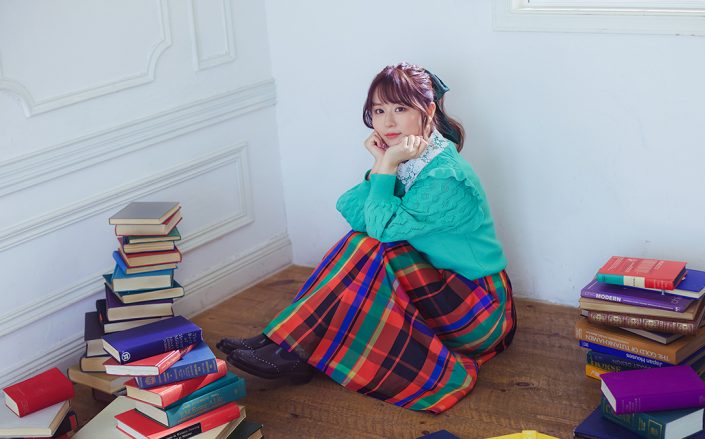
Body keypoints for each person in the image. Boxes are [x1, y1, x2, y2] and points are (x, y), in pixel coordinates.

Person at [217, 62, 516, 414]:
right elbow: (355, 212)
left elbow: (380, 230)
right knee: (362, 241)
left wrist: (385, 164)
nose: (387, 122)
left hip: (477, 309)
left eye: (400, 109)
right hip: (438, 288)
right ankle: (285, 341)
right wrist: (384, 162)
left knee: (374, 246)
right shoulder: (409, 160)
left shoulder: (445, 176)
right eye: (378, 110)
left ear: (429, 110)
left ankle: (289, 344)